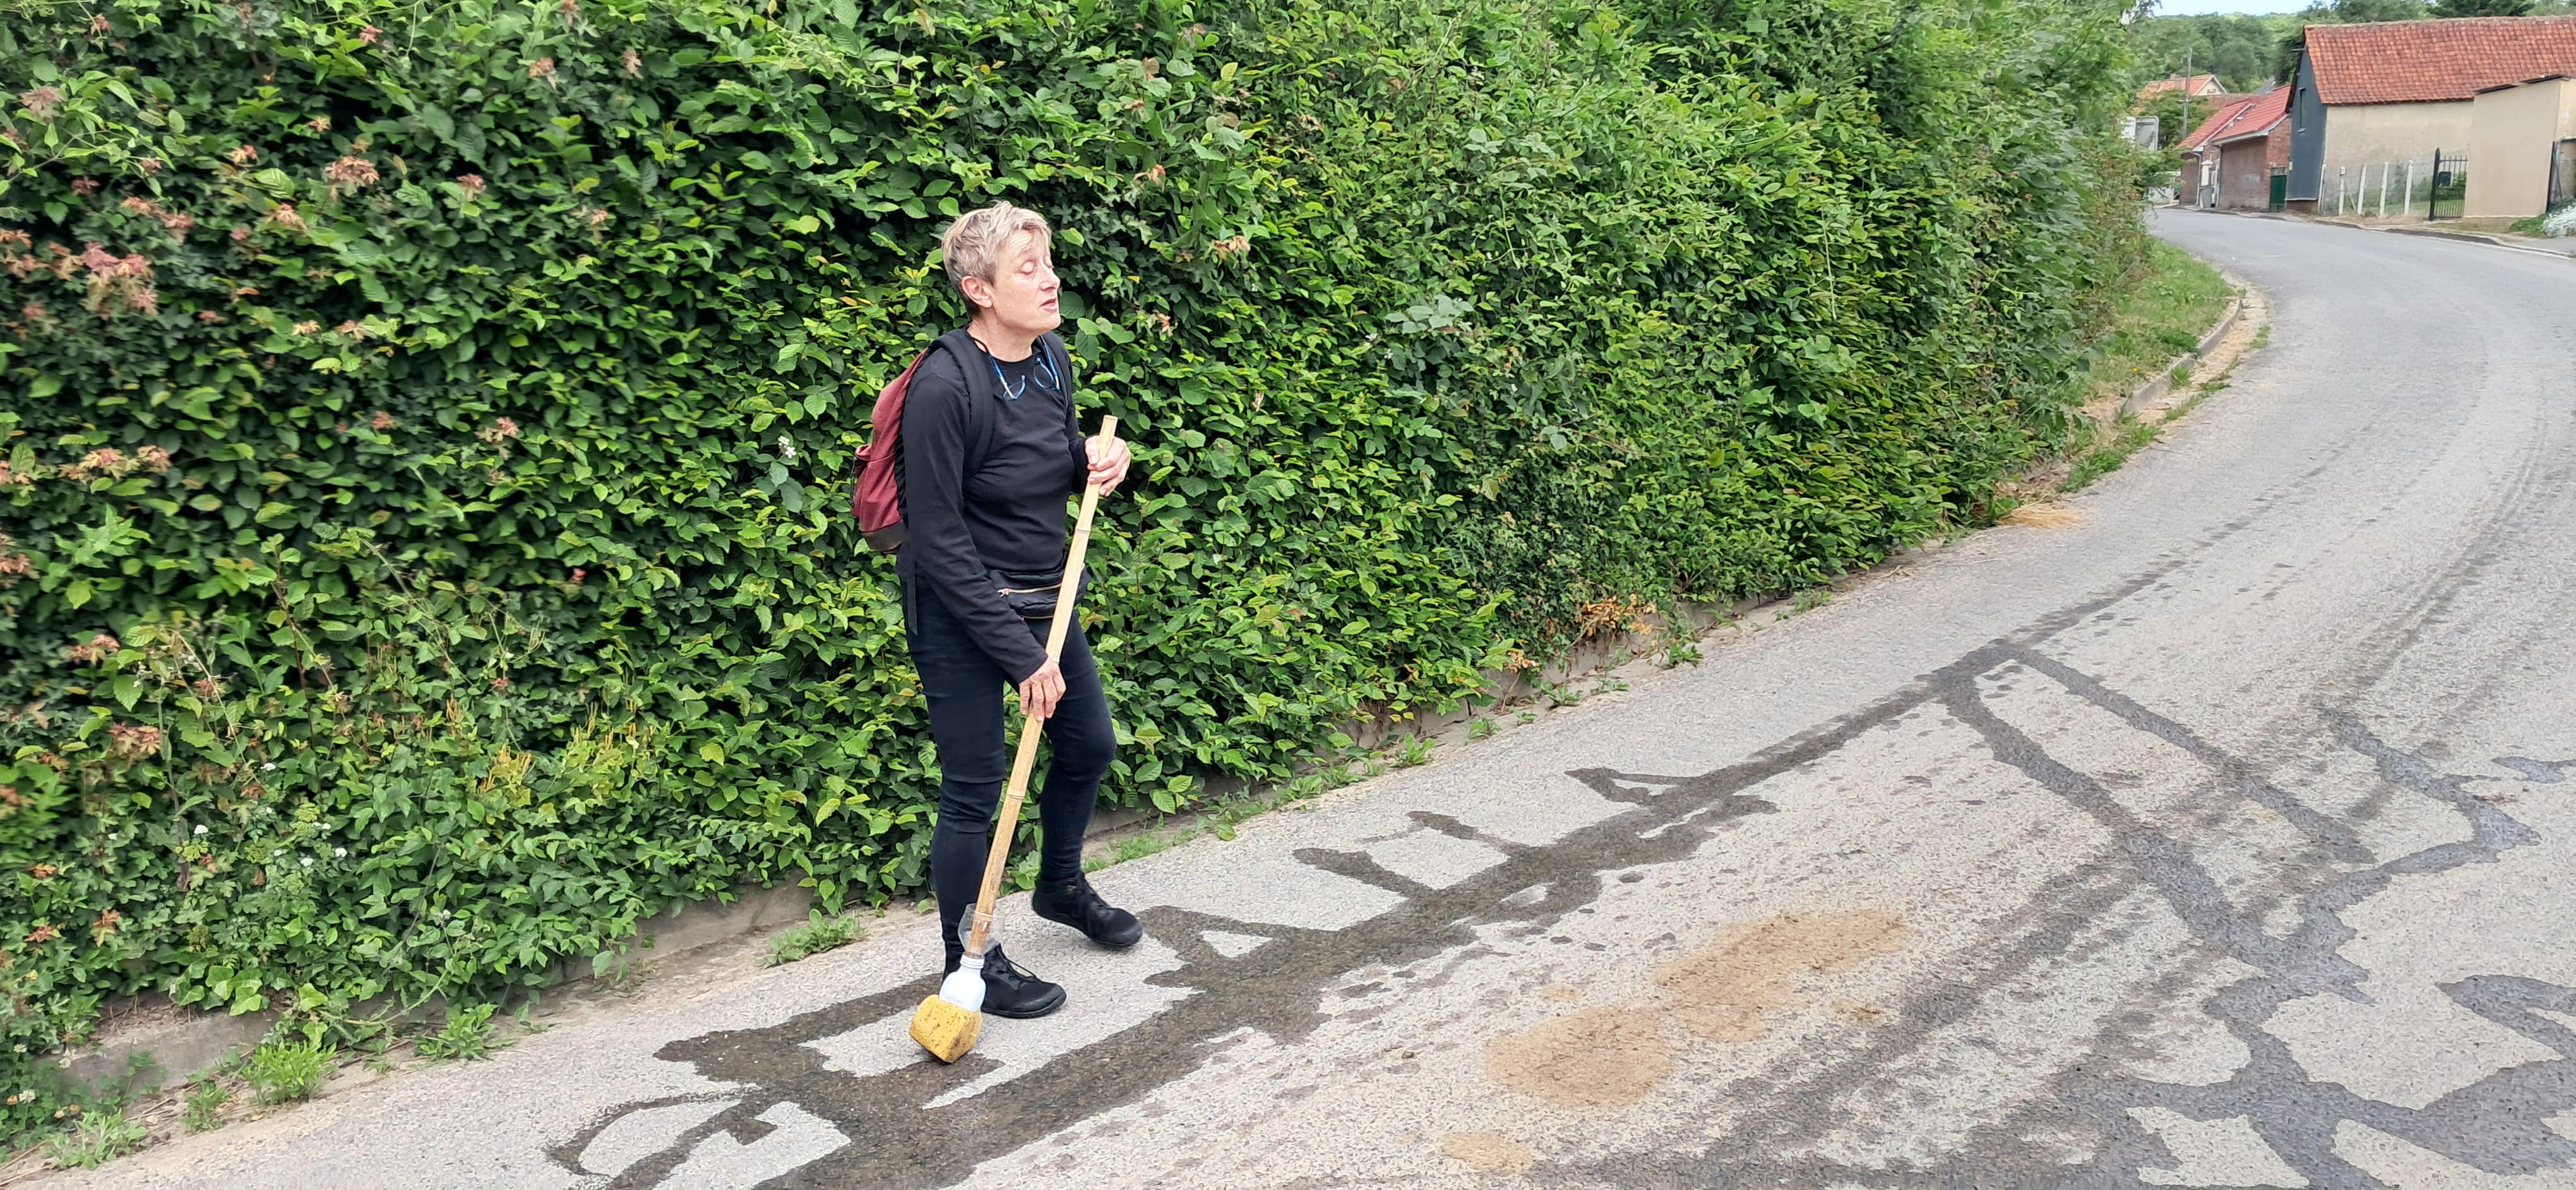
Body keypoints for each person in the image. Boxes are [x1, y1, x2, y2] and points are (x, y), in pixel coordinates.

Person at [898, 201, 1138, 1019]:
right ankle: (967, 960)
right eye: (1027, 269)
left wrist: (1094, 460)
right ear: (979, 290)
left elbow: (1044, 461)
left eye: (1049, 263)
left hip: (1044, 593)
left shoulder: (1049, 359)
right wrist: (1022, 655)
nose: (1050, 279)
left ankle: (1060, 886)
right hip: (960, 607)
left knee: (1089, 744)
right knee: (974, 788)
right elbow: (937, 538)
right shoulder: (944, 386)